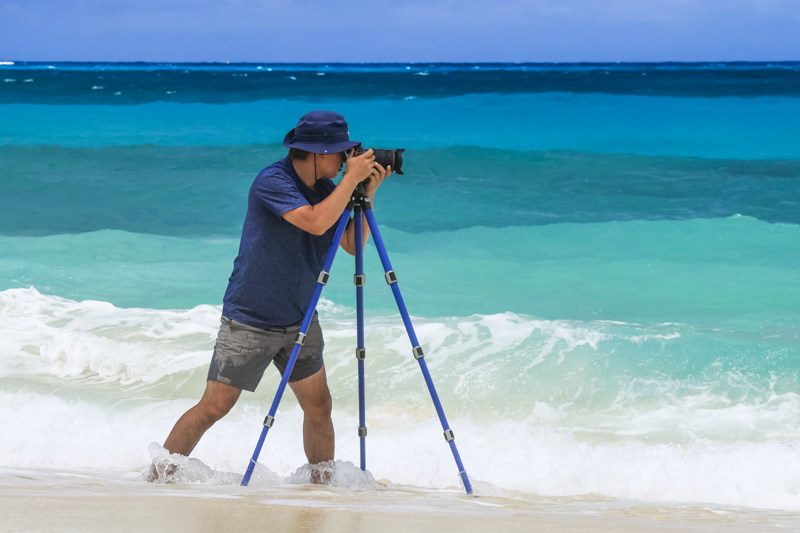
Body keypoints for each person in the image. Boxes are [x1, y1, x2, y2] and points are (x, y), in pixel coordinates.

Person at [149, 110, 390, 482]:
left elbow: (352, 244)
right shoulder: (273, 181)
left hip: (300, 317)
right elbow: (314, 221)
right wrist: (350, 181)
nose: (345, 160)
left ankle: (321, 487)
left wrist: (366, 193)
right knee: (215, 406)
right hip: (252, 317)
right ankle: (157, 476)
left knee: (319, 407)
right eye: (340, 152)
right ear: (316, 153)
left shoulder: (328, 190)